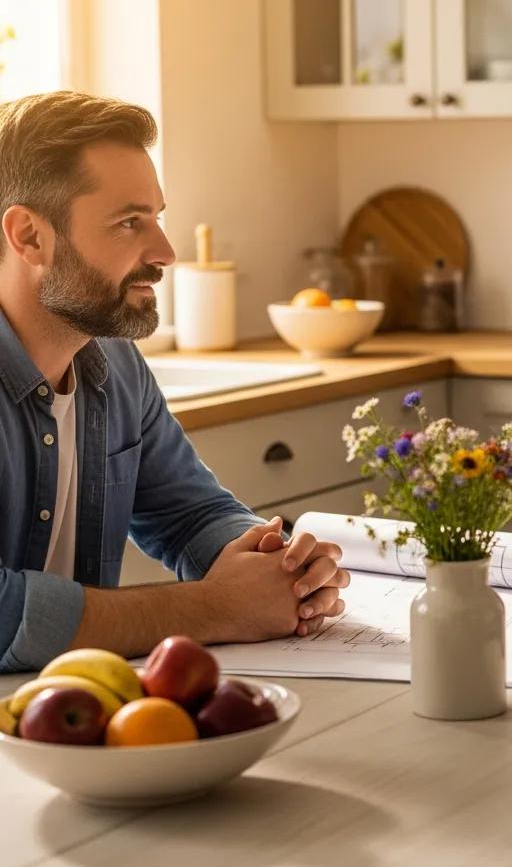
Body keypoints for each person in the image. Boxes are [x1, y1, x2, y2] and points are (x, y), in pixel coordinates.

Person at [0, 90, 348, 673]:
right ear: (30, 237)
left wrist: (280, 568)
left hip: (75, 716)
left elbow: (190, 515)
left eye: (156, 218)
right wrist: (212, 608)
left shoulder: (115, 363)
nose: (164, 252)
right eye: (128, 222)